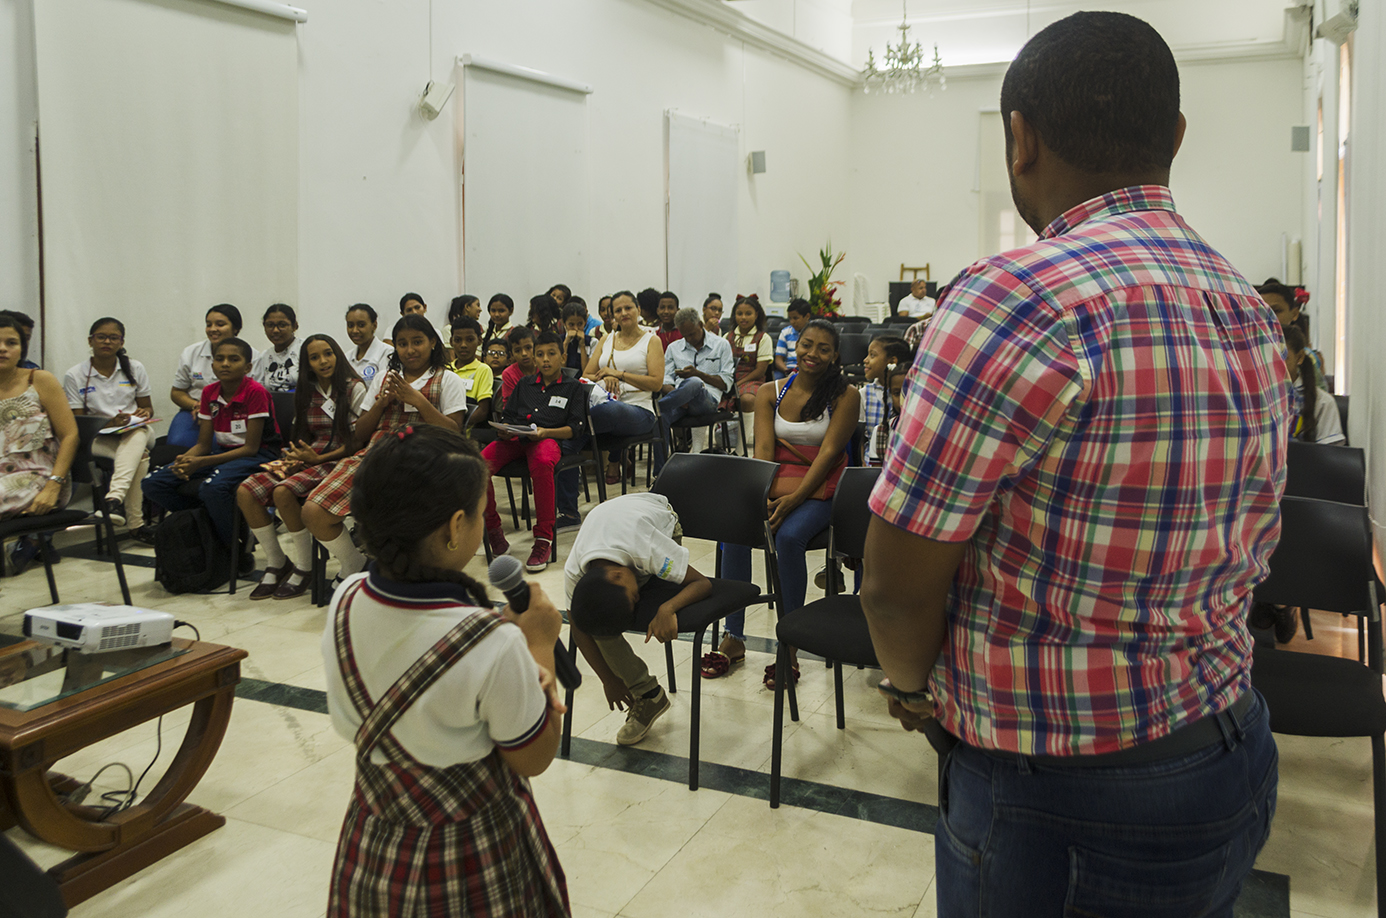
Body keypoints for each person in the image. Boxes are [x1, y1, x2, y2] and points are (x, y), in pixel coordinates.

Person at [860, 14, 1286, 916]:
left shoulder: (1015, 297)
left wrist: (913, 688)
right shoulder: (1244, 303)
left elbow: (895, 586)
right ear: (1175, 137)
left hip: (1063, 790)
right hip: (1229, 745)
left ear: (1020, 139)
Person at [321, 426, 568, 918]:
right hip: (470, 852)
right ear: (456, 527)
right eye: (481, 510)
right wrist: (539, 646)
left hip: (374, 843)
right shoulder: (491, 641)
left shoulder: (345, 599)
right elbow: (533, 756)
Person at [707, 320, 858, 683]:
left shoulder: (846, 395)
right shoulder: (769, 392)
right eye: (807, 344)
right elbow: (762, 452)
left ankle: (789, 644)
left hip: (822, 490)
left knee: (789, 538)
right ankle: (734, 636)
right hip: (775, 485)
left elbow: (829, 454)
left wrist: (795, 498)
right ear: (795, 346)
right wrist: (761, 497)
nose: (812, 353)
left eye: (823, 348)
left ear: (834, 355)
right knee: (735, 533)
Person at [303, 315, 468, 582]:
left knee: (397, 522)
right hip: (375, 456)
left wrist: (419, 401)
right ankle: (354, 563)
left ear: (433, 343)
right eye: (402, 344)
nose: (410, 350)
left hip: (423, 463)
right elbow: (360, 434)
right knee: (314, 512)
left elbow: (454, 433)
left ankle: (401, 571)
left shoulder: (448, 379)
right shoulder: (383, 378)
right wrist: (381, 403)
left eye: (417, 342)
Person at [566, 493, 712, 745]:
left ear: (618, 575)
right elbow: (578, 627)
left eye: (634, 597)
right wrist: (608, 679)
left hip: (660, 520)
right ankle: (649, 694)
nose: (638, 599)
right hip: (615, 525)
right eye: (636, 597)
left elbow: (702, 583)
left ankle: (645, 694)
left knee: (603, 618)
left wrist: (667, 608)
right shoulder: (575, 572)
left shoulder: (647, 548)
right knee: (596, 620)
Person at [237, 335, 366, 600]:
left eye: (328, 353)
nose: (323, 361)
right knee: (246, 491)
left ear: (337, 355)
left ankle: (305, 567)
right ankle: (277, 562)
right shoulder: (306, 391)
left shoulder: (354, 388)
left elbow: (356, 443)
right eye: (314, 357)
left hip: (338, 458)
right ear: (307, 364)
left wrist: (316, 459)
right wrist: (294, 456)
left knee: (283, 492)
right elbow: (301, 435)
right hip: (310, 455)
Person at [143, 337, 281, 546]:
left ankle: (234, 545)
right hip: (224, 454)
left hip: (259, 455)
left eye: (233, 359)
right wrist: (184, 461)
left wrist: (200, 462)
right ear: (212, 364)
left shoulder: (256, 392)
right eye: (219, 359)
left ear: (248, 367)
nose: (225, 364)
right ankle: (208, 523)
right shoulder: (209, 392)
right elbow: (203, 445)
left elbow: (250, 448)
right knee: (153, 483)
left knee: (213, 488)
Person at [481, 332, 587, 573]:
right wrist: (505, 429)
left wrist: (546, 432)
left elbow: (575, 429)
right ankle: (493, 529)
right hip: (516, 438)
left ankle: (543, 538)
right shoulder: (524, 384)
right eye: (540, 354)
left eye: (551, 354)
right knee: (478, 465)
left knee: (542, 462)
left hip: (547, 439)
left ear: (562, 357)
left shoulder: (572, 387)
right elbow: (509, 415)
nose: (545, 359)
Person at [64, 318, 154, 537]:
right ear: (90, 341)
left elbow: (147, 408)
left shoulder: (135, 368)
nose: (107, 342)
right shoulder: (75, 375)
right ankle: (134, 524)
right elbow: (79, 421)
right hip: (98, 437)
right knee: (140, 457)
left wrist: (143, 414)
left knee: (139, 433)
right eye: (101, 337)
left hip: (136, 431)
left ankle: (114, 499)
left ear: (121, 342)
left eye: (114, 338)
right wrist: (109, 423)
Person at [0, 314, 77, 527]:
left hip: (39, 477)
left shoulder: (39, 380)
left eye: (11, 343)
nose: (2, 348)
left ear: (22, 349)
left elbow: (70, 436)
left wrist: (54, 485)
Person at [584, 291, 664, 485]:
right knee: (584, 417)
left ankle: (575, 437)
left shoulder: (652, 341)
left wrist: (619, 374)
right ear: (613, 315)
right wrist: (606, 376)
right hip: (607, 403)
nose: (624, 313)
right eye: (618, 310)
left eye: (628, 308)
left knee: (608, 412)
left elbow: (656, 383)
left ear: (638, 310)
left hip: (640, 409)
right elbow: (586, 376)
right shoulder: (606, 340)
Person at [169, 304, 258, 447]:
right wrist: (198, 406)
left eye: (220, 324)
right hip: (195, 410)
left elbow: (255, 395)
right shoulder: (191, 352)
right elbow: (177, 392)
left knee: (220, 445)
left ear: (236, 328)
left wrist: (215, 410)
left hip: (234, 412)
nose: (212, 329)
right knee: (177, 442)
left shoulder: (252, 355)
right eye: (208, 324)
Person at [657, 307, 734, 465]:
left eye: (692, 334)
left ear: (700, 325)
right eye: (685, 336)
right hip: (680, 402)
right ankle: (660, 471)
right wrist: (680, 396)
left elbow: (726, 383)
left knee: (695, 382)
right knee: (660, 419)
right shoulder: (673, 348)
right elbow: (665, 381)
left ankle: (658, 407)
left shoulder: (721, 345)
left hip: (707, 402)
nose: (689, 339)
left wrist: (699, 374)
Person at [1257, 278, 1327, 391]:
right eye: (1261, 312)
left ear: (1294, 314)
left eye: (1276, 311)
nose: (1268, 318)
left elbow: (1318, 397)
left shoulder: (1306, 357)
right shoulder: (1247, 353)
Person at [1283, 325, 1343, 445]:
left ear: (1299, 357)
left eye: (1283, 357)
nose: (1273, 364)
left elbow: (1328, 453)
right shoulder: (1254, 399)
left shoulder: (1323, 402)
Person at [447, 317, 494, 433]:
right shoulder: (445, 369)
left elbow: (482, 411)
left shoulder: (483, 370)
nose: (463, 345)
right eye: (458, 340)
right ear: (451, 341)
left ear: (479, 340)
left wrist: (457, 426)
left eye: (469, 340)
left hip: (463, 433)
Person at [728, 294, 772, 412]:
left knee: (747, 399)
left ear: (756, 315)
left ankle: (748, 426)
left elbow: (760, 371)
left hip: (753, 381)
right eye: (739, 314)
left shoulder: (763, 338)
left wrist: (738, 384)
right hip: (729, 380)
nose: (743, 317)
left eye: (748, 314)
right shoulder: (727, 337)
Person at [251, 303, 301, 393]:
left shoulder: (305, 348)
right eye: (270, 325)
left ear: (295, 326)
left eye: (282, 325)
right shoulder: (264, 357)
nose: (275, 330)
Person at [343, 303, 393, 387]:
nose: (355, 331)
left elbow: (385, 388)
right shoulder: (347, 358)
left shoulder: (387, 353)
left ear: (374, 325)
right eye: (350, 325)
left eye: (361, 325)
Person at [774, 298, 812, 377]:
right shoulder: (785, 333)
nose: (792, 322)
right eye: (790, 318)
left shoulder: (815, 333)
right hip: (789, 371)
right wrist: (787, 371)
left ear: (807, 316)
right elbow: (778, 359)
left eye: (795, 318)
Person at [500, 327, 538, 403]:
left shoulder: (544, 368)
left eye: (528, 348)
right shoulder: (509, 374)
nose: (524, 354)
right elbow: (511, 404)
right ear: (512, 355)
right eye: (517, 351)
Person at [560, 302, 596, 372]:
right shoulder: (557, 341)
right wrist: (566, 344)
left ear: (585, 322)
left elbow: (587, 371)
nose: (576, 328)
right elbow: (560, 370)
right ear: (564, 323)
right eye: (571, 325)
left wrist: (582, 345)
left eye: (580, 324)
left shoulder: (592, 342)